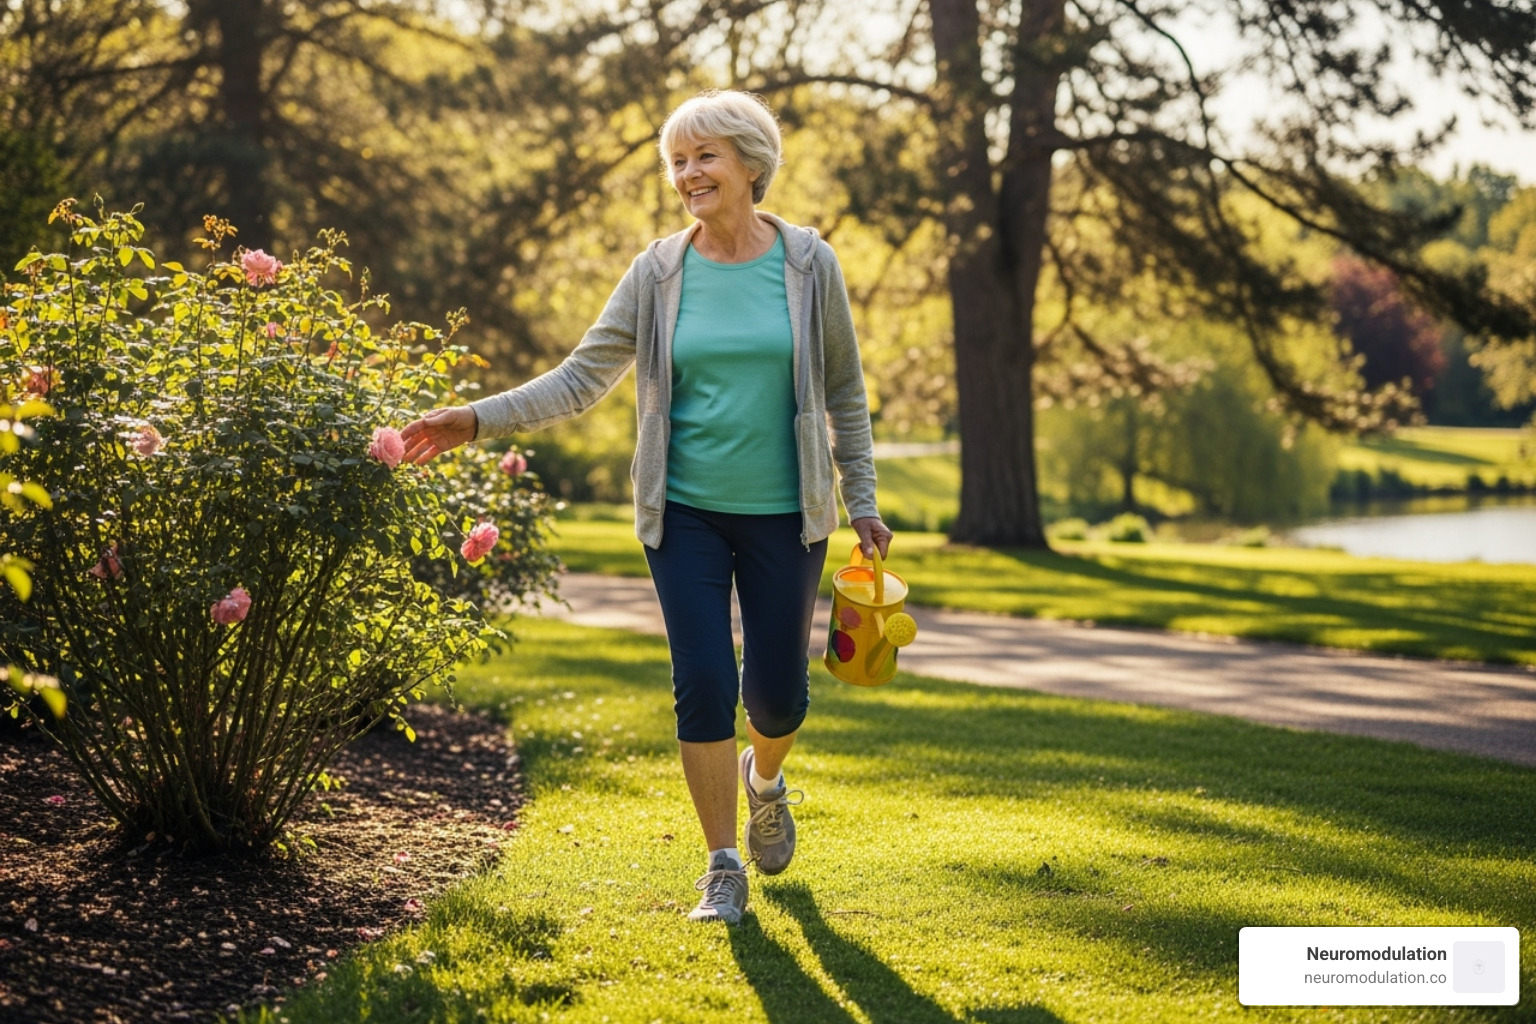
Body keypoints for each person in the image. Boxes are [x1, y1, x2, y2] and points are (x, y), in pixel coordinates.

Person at [400, 89, 891, 924]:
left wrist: (863, 499)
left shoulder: (810, 265)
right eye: (677, 161)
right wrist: (475, 419)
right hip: (684, 512)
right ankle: (723, 865)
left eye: (705, 156)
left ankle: (765, 778)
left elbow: (843, 390)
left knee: (778, 699)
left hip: (788, 514)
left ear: (751, 164)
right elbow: (579, 378)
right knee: (703, 681)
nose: (688, 173)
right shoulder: (658, 273)